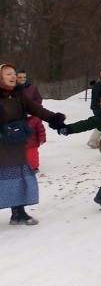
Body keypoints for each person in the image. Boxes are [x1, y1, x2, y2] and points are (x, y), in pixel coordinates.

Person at [0, 63, 65, 226]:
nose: (13, 76)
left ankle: (18, 213)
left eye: (14, 73)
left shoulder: (18, 95)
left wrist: (54, 119)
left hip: (15, 143)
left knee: (18, 178)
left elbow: (36, 109)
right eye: (8, 74)